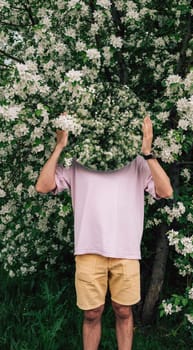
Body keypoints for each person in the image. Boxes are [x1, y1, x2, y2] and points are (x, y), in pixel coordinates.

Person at [35, 115, 173, 350]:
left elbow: (166, 191)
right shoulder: (77, 163)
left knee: (123, 310)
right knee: (91, 313)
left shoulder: (137, 164)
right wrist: (59, 147)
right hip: (89, 248)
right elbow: (43, 185)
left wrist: (148, 153)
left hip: (126, 250)